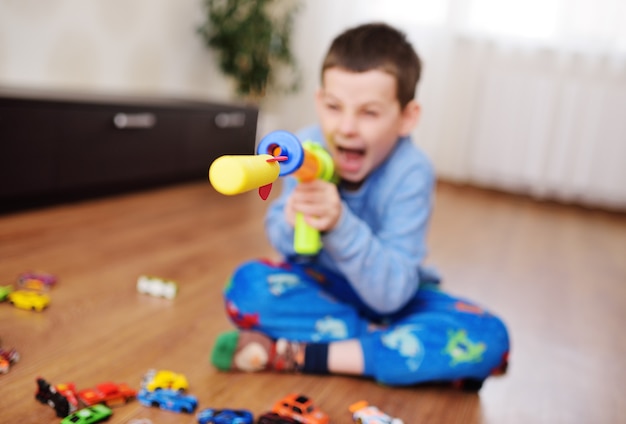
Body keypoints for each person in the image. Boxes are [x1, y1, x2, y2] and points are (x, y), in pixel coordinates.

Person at [210, 22, 509, 390]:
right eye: (334, 107)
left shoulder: (411, 172)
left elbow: (391, 295)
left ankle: (298, 353)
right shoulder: (303, 147)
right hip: (323, 288)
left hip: (396, 298)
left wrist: (339, 223)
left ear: (407, 117)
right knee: (246, 288)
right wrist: (290, 220)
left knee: (490, 338)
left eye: (369, 112)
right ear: (320, 102)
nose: (346, 128)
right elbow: (284, 244)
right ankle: (398, 350)